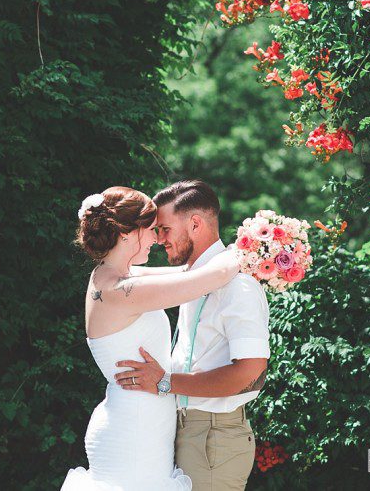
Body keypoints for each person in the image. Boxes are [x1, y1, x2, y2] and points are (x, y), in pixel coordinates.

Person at [61, 186, 242, 490]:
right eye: (151, 229)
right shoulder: (120, 291)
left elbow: (187, 270)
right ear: (127, 233)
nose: (158, 239)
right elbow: (212, 277)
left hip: (138, 426)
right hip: (135, 435)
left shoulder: (110, 277)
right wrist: (258, 245)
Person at [113, 180, 270, 490]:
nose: (159, 240)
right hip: (187, 430)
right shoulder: (194, 280)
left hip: (215, 439)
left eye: (165, 229)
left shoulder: (238, 287)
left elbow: (252, 372)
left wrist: (165, 381)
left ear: (195, 224)